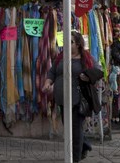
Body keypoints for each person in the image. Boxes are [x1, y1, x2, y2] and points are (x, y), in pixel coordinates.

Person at [43, 31, 102, 161]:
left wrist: (87, 76)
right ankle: (85, 145)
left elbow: (99, 70)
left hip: (78, 99)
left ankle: (74, 158)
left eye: (70, 42)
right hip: (62, 99)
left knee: (75, 129)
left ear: (78, 44)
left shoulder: (85, 57)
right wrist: (48, 83)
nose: (67, 44)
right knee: (70, 127)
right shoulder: (61, 56)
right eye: (65, 41)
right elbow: (52, 72)